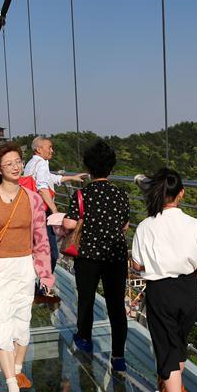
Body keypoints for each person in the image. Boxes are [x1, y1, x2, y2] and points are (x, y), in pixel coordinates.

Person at [130, 167, 197, 392]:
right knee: (178, 342)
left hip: (160, 291)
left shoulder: (145, 226)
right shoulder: (193, 223)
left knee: (166, 349)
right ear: (182, 194)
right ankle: (175, 387)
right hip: (188, 288)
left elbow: (138, 265)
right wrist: (191, 275)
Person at [0, 142, 54, 392]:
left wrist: (45, 273)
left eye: (19, 161)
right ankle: (12, 388)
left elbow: (41, 239)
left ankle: (17, 370)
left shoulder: (32, 199)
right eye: (10, 163)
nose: (17, 166)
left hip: (24, 266)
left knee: (22, 321)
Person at [62, 140, 131, 373]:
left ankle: (84, 340)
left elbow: (70, 223)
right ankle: (119, 356)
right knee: (116, 306)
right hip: (115, 256)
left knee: (86, 299)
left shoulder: (82, 194)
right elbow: (124, 226)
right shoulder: (121, 195)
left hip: (88, 256)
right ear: (111, 168)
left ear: (89, 169)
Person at [22, 136, 86, 286]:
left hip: (32, 211)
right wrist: (55, 210)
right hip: (42, 212)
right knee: (52, 252)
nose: (52, 150)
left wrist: (71, 177)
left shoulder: (32, 163)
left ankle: (38, 282)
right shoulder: (42, 163)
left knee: (40, 247)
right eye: (49, 147)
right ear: (38, 149)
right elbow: (43, 188)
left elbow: (50, 178)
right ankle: (44, 285)